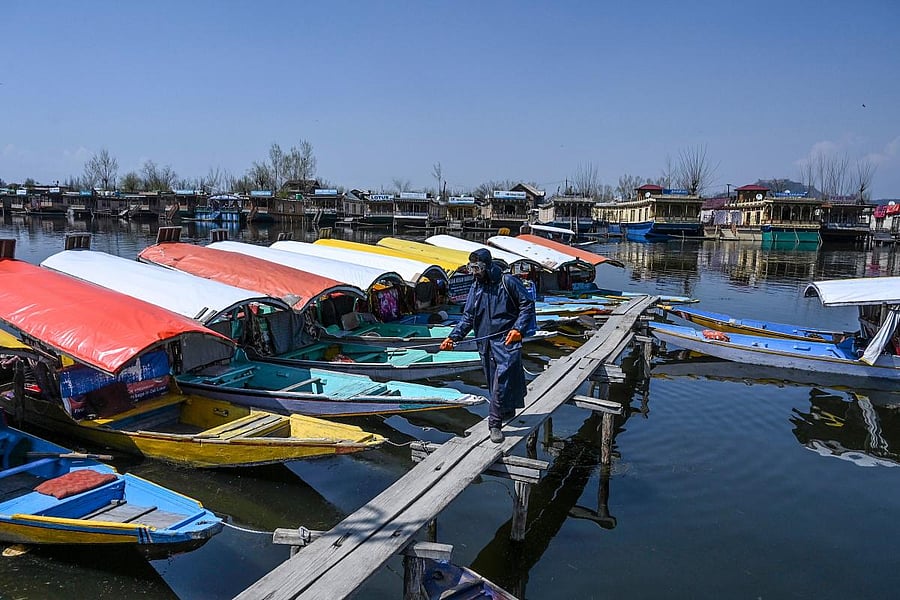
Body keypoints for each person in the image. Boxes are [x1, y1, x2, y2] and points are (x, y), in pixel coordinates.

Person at [440, 248, 536, 443]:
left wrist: (518, 329)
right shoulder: (476, 287)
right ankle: (507, 410)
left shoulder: (507, 282)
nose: (474, 272)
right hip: (485, 341)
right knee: (494, 380)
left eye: (477, 267)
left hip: (506, 339)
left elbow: (527, 304)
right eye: (471, 268)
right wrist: (454, 337)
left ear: (487, 266)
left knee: (502, 378)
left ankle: (494, 424)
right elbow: (468, 316)